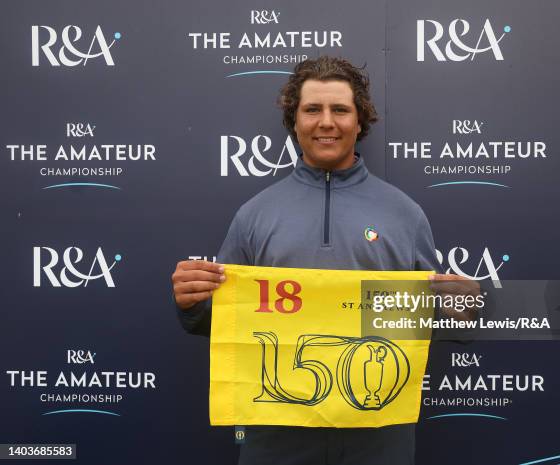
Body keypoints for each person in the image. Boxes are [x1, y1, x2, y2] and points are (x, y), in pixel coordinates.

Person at [172, 56, 479, 465]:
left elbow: (421, 324)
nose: (326, 122)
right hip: (276, 437)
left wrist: (463, 311)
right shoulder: (254, 215)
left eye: (340, 109)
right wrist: (192, 302)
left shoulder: (405, 214)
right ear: (294, 120)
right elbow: (223, 321)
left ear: (359, 120)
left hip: (379, 435)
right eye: (312, 109)